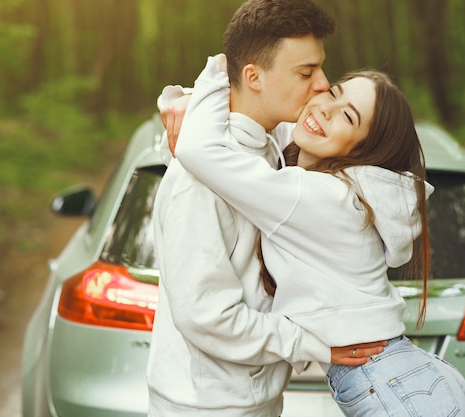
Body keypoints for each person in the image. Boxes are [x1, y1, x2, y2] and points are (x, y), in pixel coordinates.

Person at [172, 54, 465, 417]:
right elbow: (266, 123)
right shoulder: (347, 191)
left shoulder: (314, 195)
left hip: (390, 389)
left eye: (349, 116)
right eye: (332, 93)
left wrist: (219, 70)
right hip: (406, 378)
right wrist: (181, 102)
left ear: (364, 150)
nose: (326, 110)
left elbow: (198, 150)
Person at [147, 1, 386, 416]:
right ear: (254, 77)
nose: (322, 84)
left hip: (254, 399)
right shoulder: (198, 180)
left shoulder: (274, 142)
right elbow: (207, 316)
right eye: (306, 73)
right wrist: (313, 342)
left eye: (321, 69)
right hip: (206, 407)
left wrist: (193, 97)